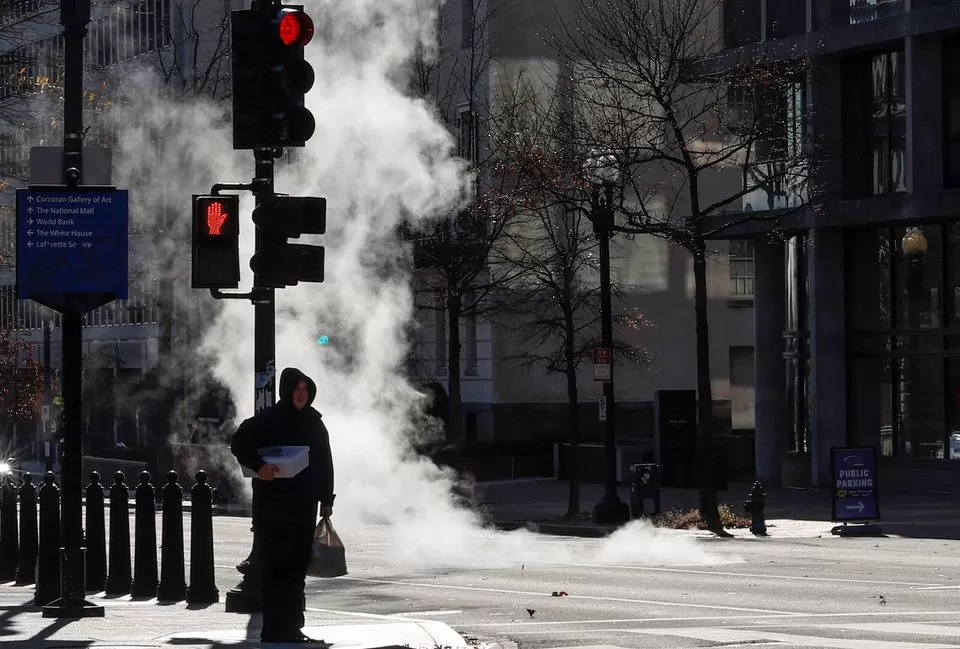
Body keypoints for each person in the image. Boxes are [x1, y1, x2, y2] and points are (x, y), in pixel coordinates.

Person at [231, 367, 335, 644]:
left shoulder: (314, 423)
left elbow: (325, 462)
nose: (301, 395)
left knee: (296, 572)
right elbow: (239, 442)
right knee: (276, 571)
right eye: (297, 389)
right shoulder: (269, 420)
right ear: (286, 391)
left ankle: (293, 627)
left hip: (303, 508)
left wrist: (327, 499)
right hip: (274, 510)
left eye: (305, 389)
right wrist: (260, 466)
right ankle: (274, 628)